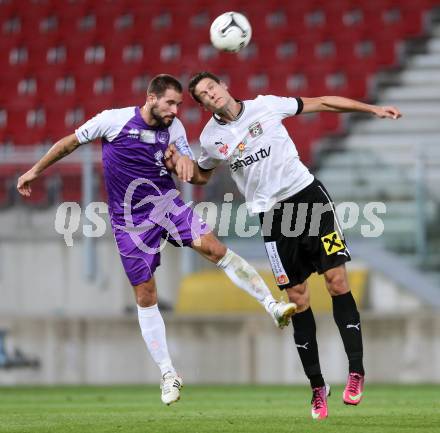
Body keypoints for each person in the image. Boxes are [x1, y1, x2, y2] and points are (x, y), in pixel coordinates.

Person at [16, 74, 297, 406]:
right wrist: (35, 171)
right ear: (151, 98)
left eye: (179, 104)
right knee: (146, 293)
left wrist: (181, 166)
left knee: (214, 248)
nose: (176, 111)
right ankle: (168, 373)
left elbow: (184, 165)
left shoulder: (173, 130)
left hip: (167, 204)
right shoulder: (113, 120)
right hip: (129, 221)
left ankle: (273, 305)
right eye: (171, 103)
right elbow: (69, 143)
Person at [166, 71, 402, 419]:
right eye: (202, 95)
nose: (210, 94)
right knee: (297, 300)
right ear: (201, 105)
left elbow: (322, 102)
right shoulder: (212, 139)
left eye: (212, 87)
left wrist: (372, 109)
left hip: (308, 198)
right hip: (272, 217)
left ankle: (356, 372)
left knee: (337, 282)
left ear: (224, 86)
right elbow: (203, 174)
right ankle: (317, 388)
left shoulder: (266, 105)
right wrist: (178, 165)